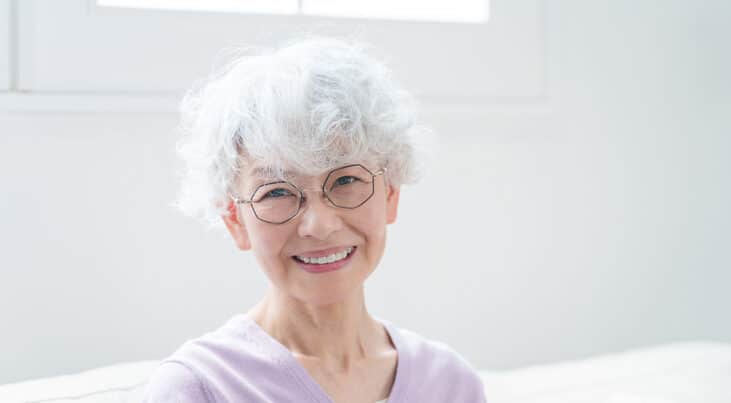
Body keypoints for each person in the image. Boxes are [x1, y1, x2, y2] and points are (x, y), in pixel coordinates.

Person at [142, 37, 487, 403]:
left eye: (345, 180)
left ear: (390, 194)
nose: (319, 225)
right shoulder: (199, 387)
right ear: (235, 220)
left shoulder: (451, 384)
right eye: (277, 192)